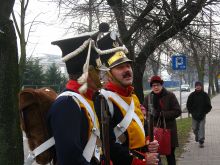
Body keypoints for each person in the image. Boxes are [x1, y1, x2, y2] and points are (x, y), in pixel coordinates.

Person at [94, 32, 159, 165]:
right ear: (109, 74)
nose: (127, 70)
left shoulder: (132, 95)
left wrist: (149, 142)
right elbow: (109, 145)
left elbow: (142, 126)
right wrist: (141, 161)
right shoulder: (103, 99)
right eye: (120, 67)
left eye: (128, 66)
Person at [47, 30, 109, 165]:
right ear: (89, 72)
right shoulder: (67, 103)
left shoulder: (84, 99)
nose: (101, 76)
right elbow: (70, 160)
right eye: (98, 72)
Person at [143, 75, 181, 165]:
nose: (156, 87)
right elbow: (144, 112)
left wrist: (161, 114)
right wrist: (149, 115)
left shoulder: (170, 95)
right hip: (153, 132)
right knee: (155, 157)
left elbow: (177, 111)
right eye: (153, 85)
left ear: (161, 85)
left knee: (170, 156)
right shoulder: (148, 97)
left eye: (158, 85)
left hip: (168, 131)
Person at [186, 81, 212, 148]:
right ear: (195, 86)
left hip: (202, 115)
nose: (198, 86)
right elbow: (188, 105)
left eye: (199, 85)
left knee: (201, 128)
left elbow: (209, 106)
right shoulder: (192, 95)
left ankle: (201, 141)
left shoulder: (205, 95)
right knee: (194, 128)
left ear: (201, 86)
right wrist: (191, 111)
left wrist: (205, 112)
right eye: (197, 85)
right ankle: (197, 136)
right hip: (194, 115)